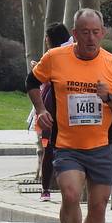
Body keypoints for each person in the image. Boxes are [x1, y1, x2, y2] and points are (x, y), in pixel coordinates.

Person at [26, 9, 112, 223]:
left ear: (103, 34)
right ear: (75, 34)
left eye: (96, 32)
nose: (90, 38)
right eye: (84, 32)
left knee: (98, 206)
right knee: (71, 195)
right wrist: (40, 109)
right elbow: (31, 82)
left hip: (100, 146)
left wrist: (108, 97)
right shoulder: (55, 58)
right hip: (67, 145)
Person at [26, 22, 72, 202]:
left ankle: (46, 189)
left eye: (47, 37)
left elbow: (43, 79)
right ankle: (49, 186)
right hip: (53, 105)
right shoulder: (63, 53)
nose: (45, 40)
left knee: (49, 147)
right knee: (51, 147)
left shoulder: (56, 56)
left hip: (53, 106)